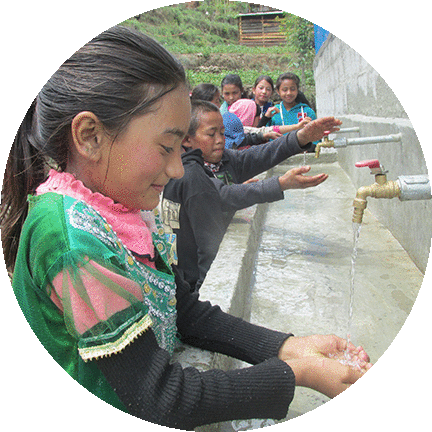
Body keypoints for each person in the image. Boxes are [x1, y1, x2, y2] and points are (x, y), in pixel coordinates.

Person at [2, 26, 371, 430]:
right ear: (90, 137)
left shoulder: (118, 210)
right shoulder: (72, 242)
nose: (178, 169)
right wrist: (297, 373)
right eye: (166, 148)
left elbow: (183, 309)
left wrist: (287, 346)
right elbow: (158, 396)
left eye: (179, 149)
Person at [163, 100, 332, 290]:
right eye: (211, 134)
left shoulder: (221, 160)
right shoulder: (187, 173)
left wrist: (299, 138)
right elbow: (222, 195)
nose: (220, 140)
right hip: (190, 280)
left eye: (222, 132)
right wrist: (280, 184)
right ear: (187, 139)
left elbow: (259, 155)